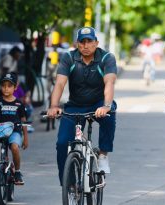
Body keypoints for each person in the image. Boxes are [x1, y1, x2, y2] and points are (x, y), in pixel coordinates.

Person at [47, 26, 117, 185]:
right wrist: (53, 105)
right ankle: (67, 183)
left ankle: (103, 155)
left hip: (99, 104)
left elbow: (109, 82)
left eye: (89, 41)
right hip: (75, 106)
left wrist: (106, 105)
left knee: (110, 113)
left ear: (96, 42)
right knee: (62, 143)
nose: (86, 45)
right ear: (77, 44)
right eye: (82, 42)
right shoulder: (69, 58)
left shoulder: (106, 58)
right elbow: (59, 84)